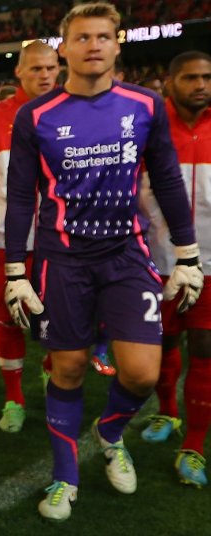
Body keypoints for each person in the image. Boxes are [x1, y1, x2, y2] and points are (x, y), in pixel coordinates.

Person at [4, 2, 202, 522]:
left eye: (103, 36)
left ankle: (109, 432)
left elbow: (167, 179)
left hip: (126, 254)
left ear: (117, 45)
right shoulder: (35, 115)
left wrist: (188, 255)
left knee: (141, 374)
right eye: (82, 37)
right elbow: (21, 196)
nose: (93, 45)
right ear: (65, 48)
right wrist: (15, 270)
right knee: (68, 367)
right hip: (63, 259)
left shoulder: (146, 105)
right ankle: (65, 477)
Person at [138, 50, 211, 488]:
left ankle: (195, 444)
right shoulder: (149, 126)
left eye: (206, 77)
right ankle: (167, 412)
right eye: (190, 78)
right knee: (164, 342)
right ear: (170, 83)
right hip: (159, 260)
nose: (200, 85)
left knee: (204, 344)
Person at [0, 40, 60, 433]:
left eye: (51, 68)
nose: (44, 75)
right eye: (36, 69)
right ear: (19, 72)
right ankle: (14, 398)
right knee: (8, 320)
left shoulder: (71, 110)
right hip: (7, 243)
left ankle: (51, 376)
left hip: (58, 242)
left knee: (54, 321)